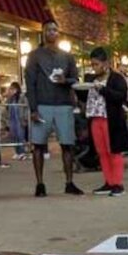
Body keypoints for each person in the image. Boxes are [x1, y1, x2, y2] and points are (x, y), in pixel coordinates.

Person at [23, 19, 81, 196]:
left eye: (55, 30)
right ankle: (40, 184)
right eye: (48, 30)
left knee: (67, 144)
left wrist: (66, 80)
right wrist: (33, 109)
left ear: (58, 33)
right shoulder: (34, 56)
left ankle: (69, 182)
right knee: (38, 145)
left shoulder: (67, 56)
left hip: (63, 104)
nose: (52, 32)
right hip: (42, 104)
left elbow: (76, 80)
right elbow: (30, 83)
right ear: (43, 32)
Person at [85, 47, 128, 195]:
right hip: (95, 118)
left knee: (114, 151)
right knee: (102, 152)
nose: (94, 67)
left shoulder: (116, 78)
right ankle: (108, 181)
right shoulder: (92, 79)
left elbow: (121, 96)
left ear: (106, 63)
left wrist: (103, 90)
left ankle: (117, 183)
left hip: (111, 119)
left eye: (96, 64)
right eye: (92, 65)